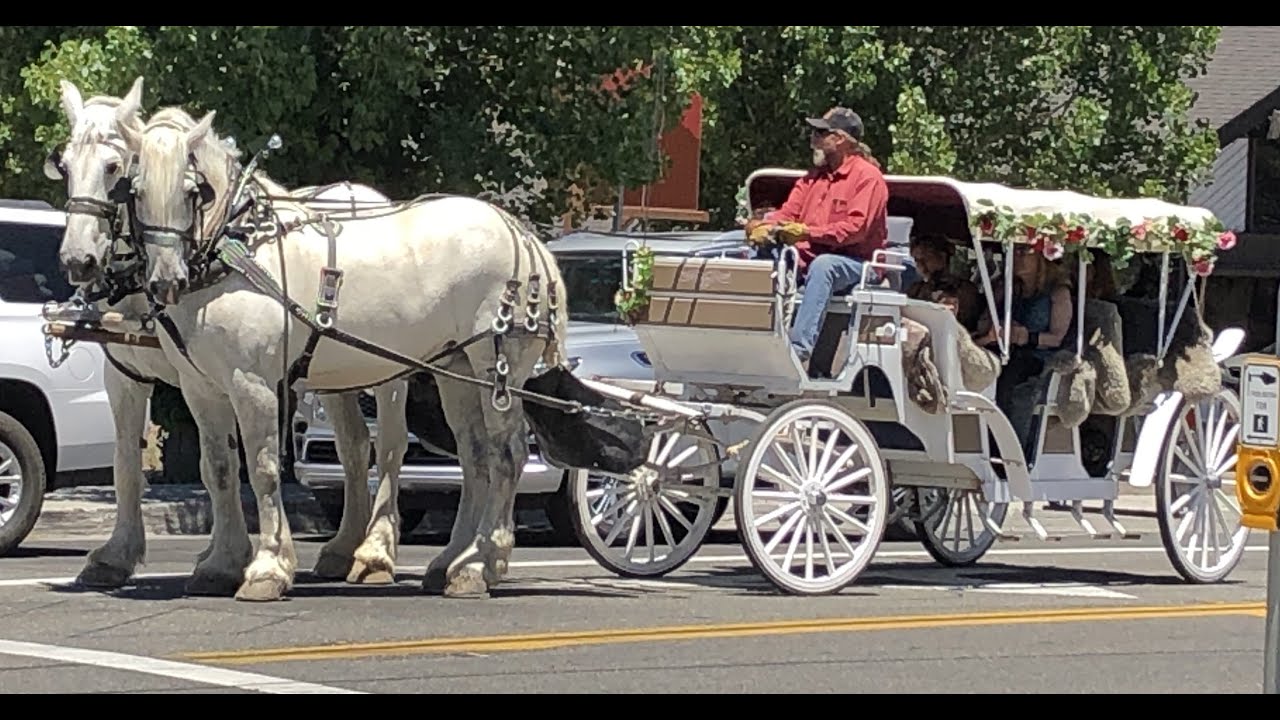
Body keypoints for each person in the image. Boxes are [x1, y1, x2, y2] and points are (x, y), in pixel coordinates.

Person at [743, 106, 890, 364]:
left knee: (824, 266)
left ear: (841, 139)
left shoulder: (868, 178)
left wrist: (807, 233)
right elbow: (788, 212)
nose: (813, 139)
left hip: (856, 262)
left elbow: (854, 231)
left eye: (821, 133)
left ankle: (797, 351)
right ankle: (753, 335)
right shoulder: (812, 178)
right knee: (760, 253)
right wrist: (762, 225)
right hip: (812, 255)